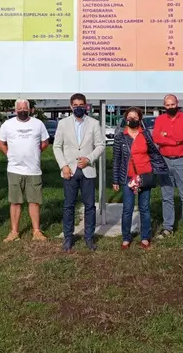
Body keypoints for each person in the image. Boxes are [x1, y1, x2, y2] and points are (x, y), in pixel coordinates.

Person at [53, 93, 106, 252]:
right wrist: (63, 165)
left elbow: (101, 145)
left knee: (90, 206)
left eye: (81, 105)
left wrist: (89, 159)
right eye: (75, 105)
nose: (78, 107)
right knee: (69, 206)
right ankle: (68, 238)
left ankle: (89, 238)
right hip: (69, 171)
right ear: (71, 106)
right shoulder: (63, 124)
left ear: (86, 106)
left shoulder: (94, 124)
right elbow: (57, 147)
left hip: (87, 171)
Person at [112, 107, 167, 250]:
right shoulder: (120, 136)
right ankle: (126, 238)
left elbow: (154, 153)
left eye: (135, 117)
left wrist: (157, 169)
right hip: (127, 176)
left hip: (145, 175)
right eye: (129, 117)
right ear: (125, 119)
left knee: (145, 208)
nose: (132, 120)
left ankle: (145, 237)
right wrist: (115, 180)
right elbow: (116, 160)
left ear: (140, 119)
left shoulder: (146, 134)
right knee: (127, 209)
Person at [0, 99, 50, 242]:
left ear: (30, 109)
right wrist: (9, 154)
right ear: (15, 110)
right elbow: (0, 143)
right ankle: (14, 232)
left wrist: (36, 153)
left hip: (33, 169)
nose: (22, 110)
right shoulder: (8, 125)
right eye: (19, 108)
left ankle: (36, 231)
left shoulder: (38, 124)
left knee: (34, 201)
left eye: (24, 108)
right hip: (14, 169)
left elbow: (45, 142)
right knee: (15, 202)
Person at [153, 94, 183, 242]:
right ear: (164, 106)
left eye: (172, 104)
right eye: (167, 105)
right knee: (166, 197)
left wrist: (167, 136)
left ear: (177, 103)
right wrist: (175, 139)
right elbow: (156, 138)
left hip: (182, 160)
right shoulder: (160, 119)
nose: (170, 107)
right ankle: (168, 227)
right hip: (165, 160)